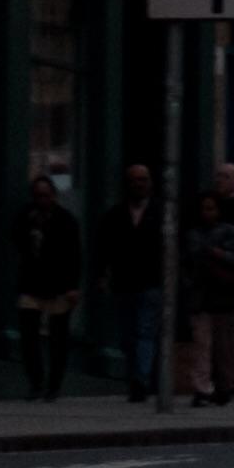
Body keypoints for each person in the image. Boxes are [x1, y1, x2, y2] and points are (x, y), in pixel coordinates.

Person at [183, 165, 234, 406]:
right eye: (204, 209)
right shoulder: (193, 233)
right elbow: (187, 262)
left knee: (226, 348)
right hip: (203, 297)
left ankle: (226, 386)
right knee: (202, 346)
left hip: (227, 297)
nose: (207, 213)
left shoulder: (232, 231)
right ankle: (202, 389)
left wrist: (219, 254)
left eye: (211, 208)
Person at [89, 162, 166, 403]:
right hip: (124, 282)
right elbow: (103, 247)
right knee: (127, 334)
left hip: (152, 281)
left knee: (145, 331)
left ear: (150, 183)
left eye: (142, 180)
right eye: (134, 180)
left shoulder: (162, 213)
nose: (138, 184)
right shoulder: (115, 215)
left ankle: (140, 379)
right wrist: (101, 274)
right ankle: (135, 374)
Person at [11, 164, 85, 402]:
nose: (42, 200)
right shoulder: (26, 216)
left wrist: (73, 286)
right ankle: (36, 381)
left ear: (53, 196)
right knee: (29, 337)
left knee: (58, 340)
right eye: (38, 196)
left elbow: (74, 254)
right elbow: (16, 243)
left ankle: (54, 385)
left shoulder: (66, 220)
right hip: (31, 283)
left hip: (59, 286)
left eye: (46, 195)